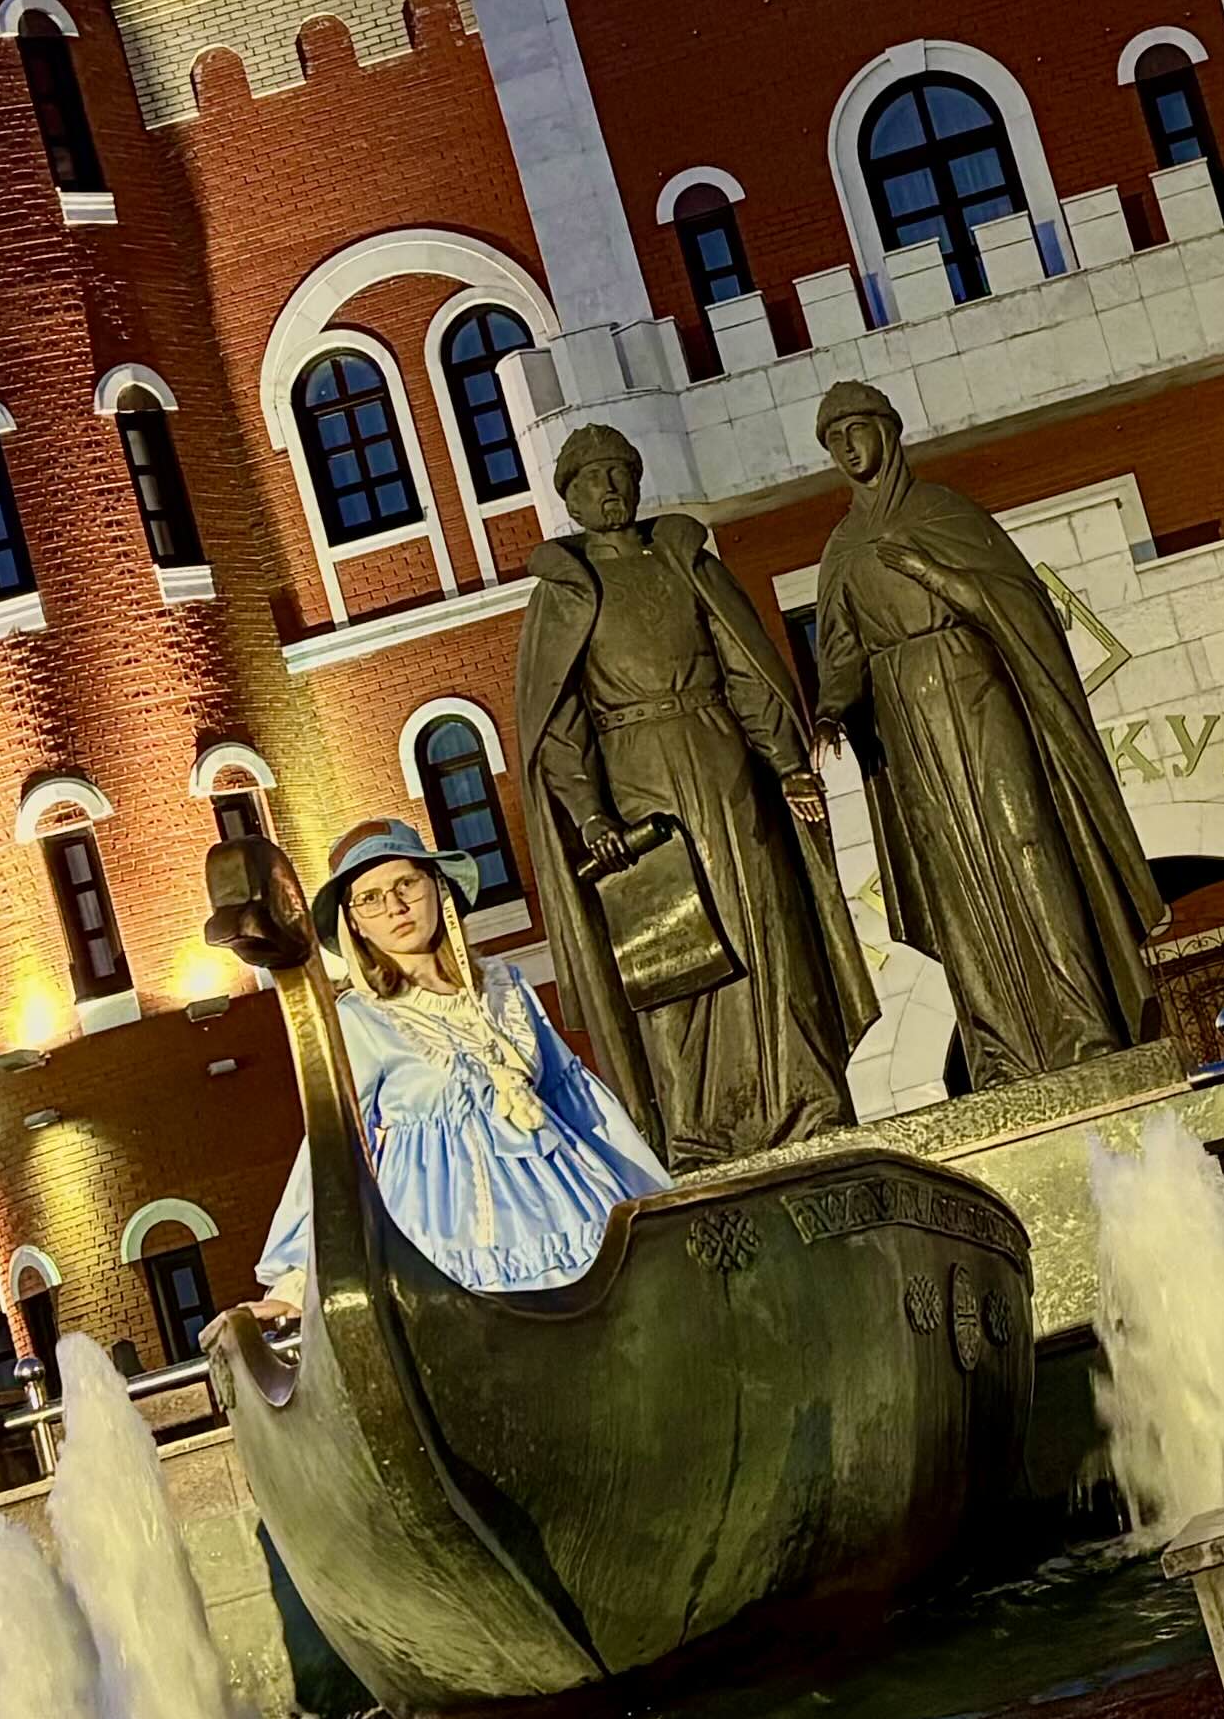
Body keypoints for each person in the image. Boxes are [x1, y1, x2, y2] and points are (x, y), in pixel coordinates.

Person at [516, 420, 871, 1168]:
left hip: (722, 764)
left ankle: (806, 1100)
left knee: (764, 926)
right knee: (670, 954)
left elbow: (745, 669)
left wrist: (785, 763)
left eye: (621, 472)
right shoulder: (565, 594)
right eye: (593, 478)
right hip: (634, 781)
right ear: (570, 498)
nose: (610, 487)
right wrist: (590, 813)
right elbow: (559, 725)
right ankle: (699, 1128)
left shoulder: (685, 561)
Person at [809, 378, 1166, 1089]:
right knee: (955, 880)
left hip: (978, 693)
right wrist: (829, 711)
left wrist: (938, 575)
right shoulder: (842, 548)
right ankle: (999, 1050)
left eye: (857, 428)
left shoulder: (944, 510)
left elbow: (1023, 604)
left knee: (1027, 844)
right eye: (833, 438)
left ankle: (1085, 1026)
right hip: (907, 726)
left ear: (888, 430)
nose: (847, 446)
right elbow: (842, 651)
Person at [251, 817, 669, 1315]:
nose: (395, 907)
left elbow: (575, 1100)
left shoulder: (505, 986)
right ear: (354, 923)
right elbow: (334, 1145)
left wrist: (653, 1201)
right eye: (371, 899)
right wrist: (297, 1279)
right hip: (446, 1234)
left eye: (406, 884)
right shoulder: (362, 1018)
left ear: (437, 887)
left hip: (572, 1205)